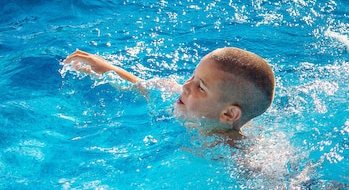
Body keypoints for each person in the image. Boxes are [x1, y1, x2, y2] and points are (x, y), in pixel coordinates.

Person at [63, 47, 275, 134]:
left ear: (228, 114)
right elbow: (141, 86)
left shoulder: (233, 154)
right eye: (192, 76)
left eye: (200, 86)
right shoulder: (179, 97)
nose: (186, 86)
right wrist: (105, 68)